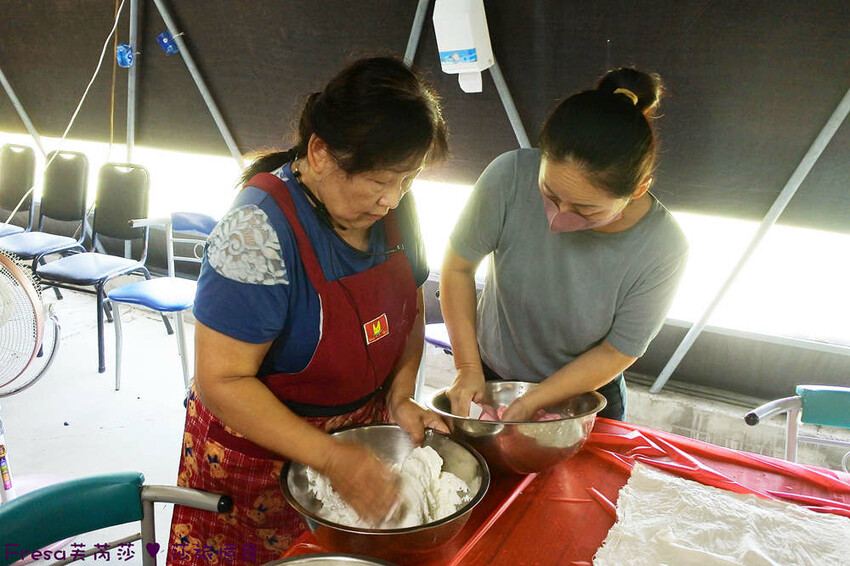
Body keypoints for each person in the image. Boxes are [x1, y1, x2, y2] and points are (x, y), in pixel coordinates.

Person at [167, 57, 449, 565]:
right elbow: (221, 380)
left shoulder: (393, 208)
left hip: (357, 443)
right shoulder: (255, 234)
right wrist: (332, 459)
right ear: (319, 151)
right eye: (381, 180)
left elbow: (406, 310)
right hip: (257, 461)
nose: (392, 199)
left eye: (408, 179)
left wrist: (401, 397)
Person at [441, 68, 688, 423]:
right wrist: (467, 367)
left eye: (586, 208)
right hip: (493, 375)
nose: (559, 216)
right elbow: (458, 267)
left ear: (637, 189)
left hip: (585, 397)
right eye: (550, 194)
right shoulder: (508, 177)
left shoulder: (663, 248)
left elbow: (617, 350)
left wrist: (537, 399)